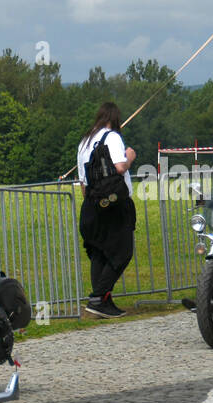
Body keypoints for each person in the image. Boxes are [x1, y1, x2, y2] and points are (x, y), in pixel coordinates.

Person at [76, 102, 136, 319]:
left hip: (91, 204)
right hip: (114, 205)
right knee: (123, 251)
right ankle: (98, 297)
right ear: (115, 118)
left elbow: (83, 182)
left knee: (100, 252)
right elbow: (120, 167)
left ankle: (103, 302)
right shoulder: (112, 137)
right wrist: (130, 156)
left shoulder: (84, 142)